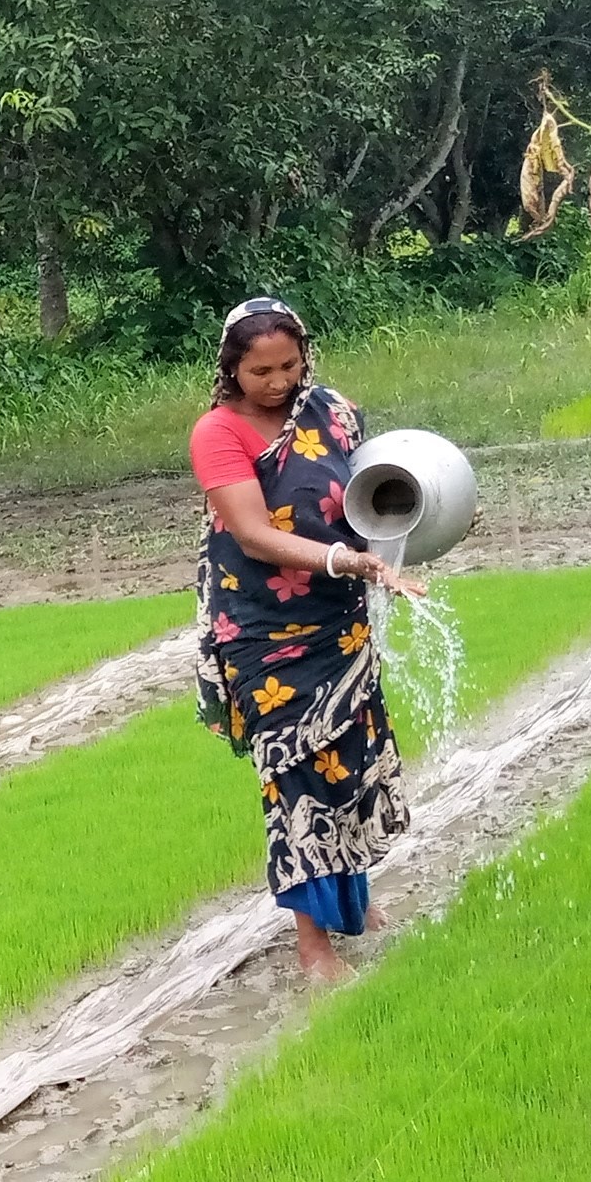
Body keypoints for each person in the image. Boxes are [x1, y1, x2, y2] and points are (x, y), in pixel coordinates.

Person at [188, 298, 431, 984]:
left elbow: (381, 495)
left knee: (350, 758)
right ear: (231, 368)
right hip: (263, 629)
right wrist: (346, 561)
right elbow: (254, 533)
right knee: (294, 775)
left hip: (338, 617)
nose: (277, 382)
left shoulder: (334, 410)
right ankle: (313, 945)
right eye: (259, 370)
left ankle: (358, 903)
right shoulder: (219, 431)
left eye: (289, 366)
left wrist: (400, 543)